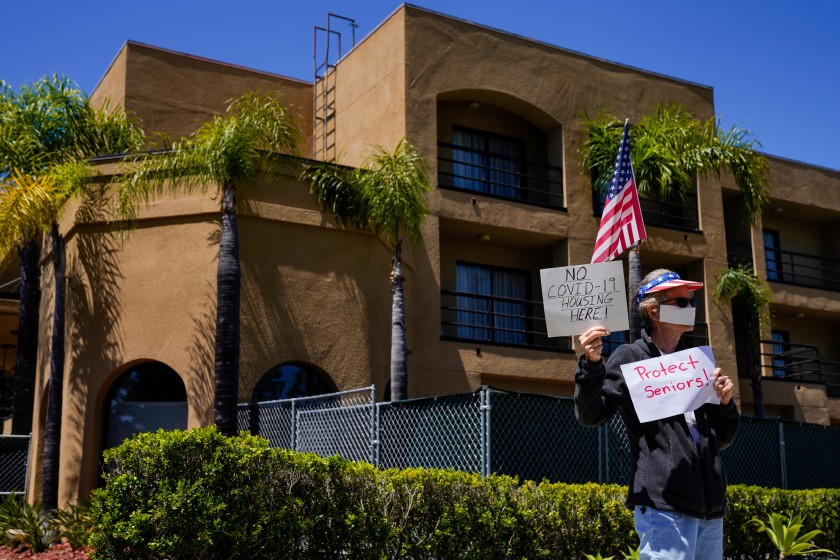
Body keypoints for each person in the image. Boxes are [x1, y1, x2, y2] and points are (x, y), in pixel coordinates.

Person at [574, 269, 739, 560]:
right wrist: (590, 365)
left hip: (710, 507)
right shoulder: (631, 356)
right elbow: (591, 415)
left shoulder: (697, 360)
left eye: (691, 301)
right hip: (664, 503)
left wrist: (725, 404)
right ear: (653, 310)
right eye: (682, 303)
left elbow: (721, 438)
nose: (691, 308)